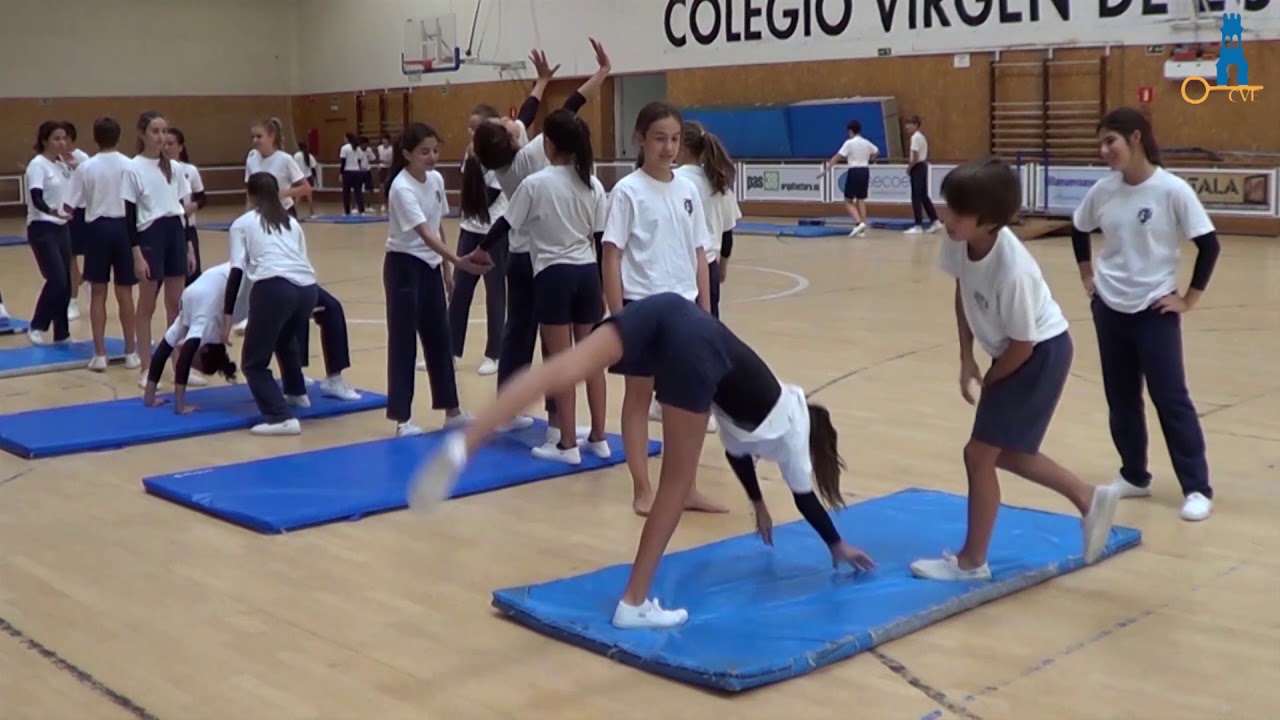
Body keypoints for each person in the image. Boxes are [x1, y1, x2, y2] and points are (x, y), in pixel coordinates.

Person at [410, 292, 875, 629]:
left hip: (668, 308)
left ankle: (465, 443)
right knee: (673, 487)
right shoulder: (791, 440)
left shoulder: (780, 405)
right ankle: (633, 602)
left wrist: (757, 503)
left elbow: (740, 459)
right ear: (812, 439)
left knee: (565, 367)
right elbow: (806, 500)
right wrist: (836, 545)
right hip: (698, 350)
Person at [909, 158, 1120, 583]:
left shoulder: (1014, 271)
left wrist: (991, 380)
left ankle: (972, 562)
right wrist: (967, 356)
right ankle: (1088, 498)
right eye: (947, 206)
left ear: (989, 223)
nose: (946, 216)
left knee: (978, 455)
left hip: (1038, 353)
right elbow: (962, 291)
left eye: (958, 211)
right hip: (1015, 351)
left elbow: (1024, 345)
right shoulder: (958, 238)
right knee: (1007, 453)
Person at [1071, 107, 1219, 522]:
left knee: (1171, 398)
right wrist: (1087, 276)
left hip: (1154, 310)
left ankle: (1196, 487)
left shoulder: (1172, 190)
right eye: (1100, 144)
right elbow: (1078, 228)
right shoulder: (1103, 191)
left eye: (1110, 142)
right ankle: (1135, 475)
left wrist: (1188, 300)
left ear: (1135, 138)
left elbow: (1209, 246)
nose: (1104, 151)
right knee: (1121, 398)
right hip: (1109, 308)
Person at [465, 41, 610, 443]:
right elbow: (569, 113)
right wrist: (600, 74)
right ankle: (556, 423)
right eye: (507, 126)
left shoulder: (507, 160)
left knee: (517, 334)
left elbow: (526, 114)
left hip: (521, 256)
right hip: (541, 258)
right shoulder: (532, 157)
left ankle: (508, 410)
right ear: (514, 141)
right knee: (554, 344)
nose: (513, 121)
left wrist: (542, 81)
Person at [600, 101, 721, 516]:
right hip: (642, 307)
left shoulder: (688, 189)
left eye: (673, 140)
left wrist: (705, 312)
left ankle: (684, 487)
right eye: (659, 139)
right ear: (640, 140)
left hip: (684, 309)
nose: (668, 148)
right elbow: (612, 255)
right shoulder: (627, 192)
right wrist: (618, 316)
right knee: (639, 396)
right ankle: (642, 487)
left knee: (685, 403)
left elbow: (700, 252)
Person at [492, 109, 611, 464]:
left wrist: (479, 252)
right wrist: (604, 286)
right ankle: (599, 437)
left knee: (561, 363)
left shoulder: (536, 183)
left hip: (553, 275)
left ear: (550, 144)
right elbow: (602, 240)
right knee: (591, 362)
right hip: (588, 274)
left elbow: (506, 224)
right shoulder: (594, 183)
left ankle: (567, 445)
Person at [383, 122, 490, 437]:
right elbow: (423, 233)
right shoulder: (401, 188)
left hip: (430, 266)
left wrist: (446, 268)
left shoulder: (437, 180)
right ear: (407, 154)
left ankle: (451, 410)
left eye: (435, 151)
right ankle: (403, 419)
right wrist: (458, 259)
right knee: (404, 342)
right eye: (424, 152)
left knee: (440, 339)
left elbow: (437, 224)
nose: (431, 157)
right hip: (404, 267)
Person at [220, 172, 318, 437]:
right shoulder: (291, 222)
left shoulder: (242, 223)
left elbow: (237, 271)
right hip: (308, 289)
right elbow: (302, 261)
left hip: (275, 288)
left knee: (253, 362)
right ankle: (297, 392)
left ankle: (280, 417)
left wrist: (227, 315)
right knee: (285, 340)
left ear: (250, 196)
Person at [124, 111, 196, 389]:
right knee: (147, 305)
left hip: (175, 233)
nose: (162, 137)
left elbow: (183, 209)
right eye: (155, 131)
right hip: (149, 235)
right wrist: (137, 254)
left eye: (165, 131)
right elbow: (129, 217)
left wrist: (189, 245)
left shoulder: (175, 168)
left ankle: (181, 365)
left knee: (176, 305)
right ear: (142, 134)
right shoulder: (133, 168)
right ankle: (146, 367)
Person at [68, 116, 145, 371]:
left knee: (98, 293)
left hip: (98, 229)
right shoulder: (131, 165)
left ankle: (99, 354)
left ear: (95, 137)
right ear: (119, 136)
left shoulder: (86, 167)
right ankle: (130, 353)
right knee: (125, 293)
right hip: (124, 229)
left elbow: (68, 204)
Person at [142, 263, 239, 414]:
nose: (191, 365)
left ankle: (148, 398)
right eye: (196, 364)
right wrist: (180, 407)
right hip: (220, 284)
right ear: (204, 350)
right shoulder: (209, 331)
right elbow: (184, 360)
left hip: (192, 293)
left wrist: (150, 397)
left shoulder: (203, 326)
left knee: (169, 341)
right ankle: (176, 405)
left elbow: (164, 348)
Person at [675, 120, 742, 319]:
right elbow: (727, 233)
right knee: (708, 325)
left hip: (681, 267)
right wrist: (722, 267)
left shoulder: (674, 180)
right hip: (710, 266)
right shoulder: (718, 182)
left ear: (685, 147)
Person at [24, 120, 74, 347]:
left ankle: (62, 332)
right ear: (45, 140)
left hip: (61, 227)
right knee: (57, 279)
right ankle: (37, 325)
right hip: (42, 226)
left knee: (67, 282)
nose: (62, 142)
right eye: (56, 138)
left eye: (64, 138)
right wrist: (51, 211)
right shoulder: (38, 165)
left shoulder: (62, 165)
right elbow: (36, 197)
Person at [819, 120, 879, 237]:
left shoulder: (849, 143)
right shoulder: (866, 142)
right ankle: (863, 228)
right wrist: (871, 158)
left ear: (850, 131)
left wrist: (826, 170)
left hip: (854, 171)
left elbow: (838, 156)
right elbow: (876, 151)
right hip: (865, 170)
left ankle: (858, 223)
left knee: (848, 200)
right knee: (861, 199)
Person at [902, 115, 941, 235]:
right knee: (924, 196)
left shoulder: (915, 138)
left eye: (909, 124)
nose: (907, 126)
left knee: (916, 196)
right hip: (923, 166)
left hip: (918, 166)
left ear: (916, 125)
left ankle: (918, 225)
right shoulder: (922, 137)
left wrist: (910, 167)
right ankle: (935, 221)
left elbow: (916, 156)